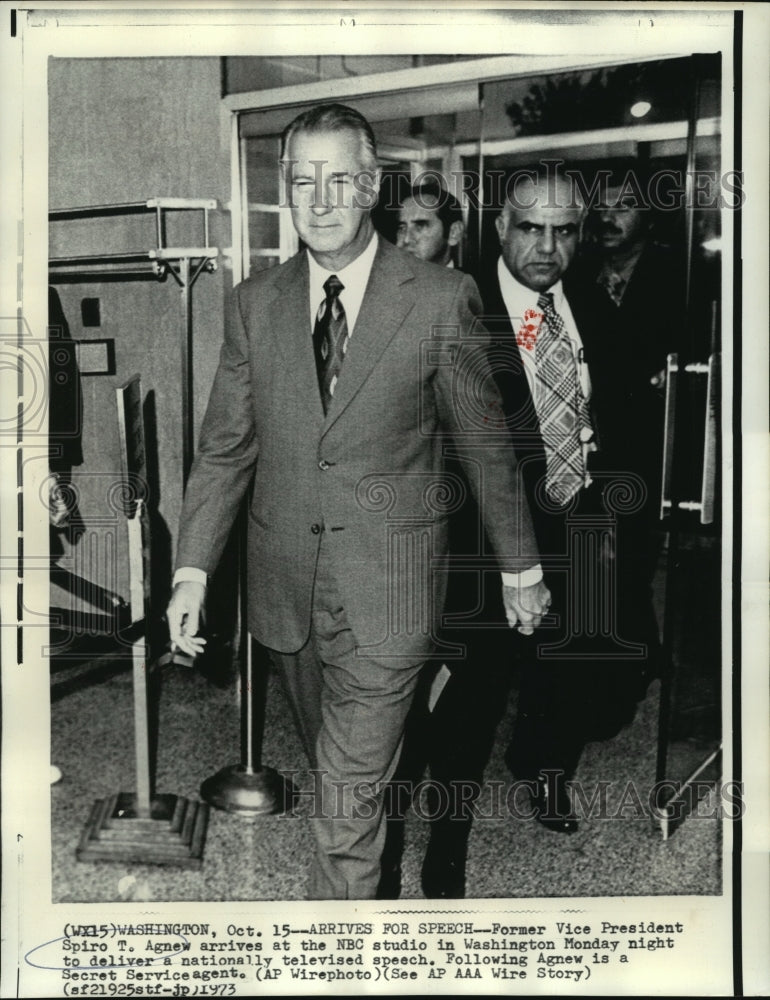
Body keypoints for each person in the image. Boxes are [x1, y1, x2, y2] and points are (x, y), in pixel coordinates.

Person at [166, 103, 550, 900]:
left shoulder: (441, 298)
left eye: (339, 178)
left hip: (393, 589)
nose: (321, 197)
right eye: (303, 180)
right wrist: (193, 573)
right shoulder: (253, 303)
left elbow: (485, 446)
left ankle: (336, 959)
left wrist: (521, 568)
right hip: (287, 589)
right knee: (342, 777)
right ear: (285, 190)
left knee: (342, 811)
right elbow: (226, 448)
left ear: (371, 185)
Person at [476, 163, 662, 838]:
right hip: (488, 521)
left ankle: (546, 765)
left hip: (579, 506)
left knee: (574, 651)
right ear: (501, 227)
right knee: (482, 670)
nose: (546, 247)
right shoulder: (461, 303)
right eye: (530, 228)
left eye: (563, 231)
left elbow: (617, 400)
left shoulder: (586, 298)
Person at [395, 180, 464, 267]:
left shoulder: (471, 280)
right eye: (402, 228)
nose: (406, 239)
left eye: (420, 226)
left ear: (454, 233)